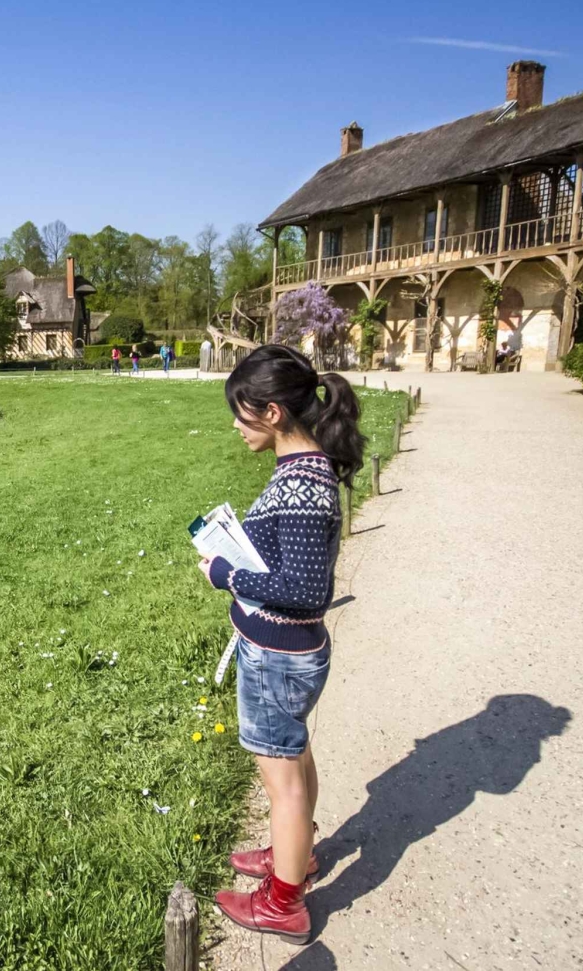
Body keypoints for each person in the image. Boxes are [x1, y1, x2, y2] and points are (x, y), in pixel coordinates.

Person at [197, 343, 365, 946]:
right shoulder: (305, 470)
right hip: (287, 651)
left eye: (241, 413)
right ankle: (293, 853)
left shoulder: (301, 484)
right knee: (295, 759)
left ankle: (283, 903)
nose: (235, 426)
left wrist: (228, 574)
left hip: (278, 655)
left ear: (272, 413)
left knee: (283, 779)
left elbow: (304, 588)